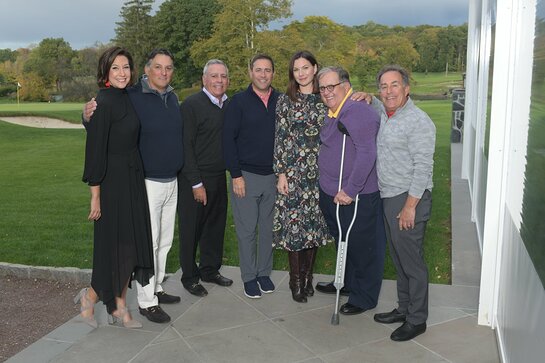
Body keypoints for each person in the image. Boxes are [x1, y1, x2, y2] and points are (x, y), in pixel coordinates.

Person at [83, 48, 184, 324]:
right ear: (147, 70)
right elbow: (98, 133)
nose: (163, 72)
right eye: (115, 68)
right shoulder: (125, 96)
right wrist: (86, 115)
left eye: (169, 67)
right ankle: (144, 301)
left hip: (152, 180)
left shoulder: (166, 98)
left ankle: (153, 289)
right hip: (137, 180)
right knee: (141, 244)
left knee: (159, 242)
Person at [77, 46, 154, 329]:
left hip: (132, 179)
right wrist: (95, 196)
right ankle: (104, 302)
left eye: (126, 67)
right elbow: (95, 150)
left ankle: (109, 303)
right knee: (115, 248)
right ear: (106, 72)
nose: (122, 73)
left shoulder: (127, 96)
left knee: (129, 248)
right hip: (111, 183)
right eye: (116, 68)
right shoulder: (104, 101)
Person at [372, 65, 436, 341]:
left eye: (394, 85)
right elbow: (374, 102)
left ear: (407, 88)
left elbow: (423, 167)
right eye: (384, 86)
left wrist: (410, 206)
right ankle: (404, 308)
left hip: (409, 197)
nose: (389, 91)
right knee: (399, 260)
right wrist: (366, 96)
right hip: (388, 195)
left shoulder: (419, 121)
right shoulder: (386, 113)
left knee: (412, 263)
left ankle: (417, 319)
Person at [316, 66, 386, 315]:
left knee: (362, 246)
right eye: (322, 88)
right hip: (331, 193)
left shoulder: (357, 111)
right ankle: (345, 282)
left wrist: (350, 190)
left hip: (355, 196)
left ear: (345, 85)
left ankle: (364, 296)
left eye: (331, 86)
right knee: (344, 241)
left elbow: (367, 153)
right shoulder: (334, 110)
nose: (326, 92)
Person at [273, 51, 333, 303]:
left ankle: (308, 278)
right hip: (295, 174)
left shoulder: (326, 99)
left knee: (313, 228)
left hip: (320, 173)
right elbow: (281, 137)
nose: (301, 73)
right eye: (296, 69)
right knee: (295, 230)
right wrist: (282, 173)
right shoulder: (286, 100)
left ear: (315, 68)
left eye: (305, 68)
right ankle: (295, 281)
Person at [223, 54, 279, 299]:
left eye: (267, 70)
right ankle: (248, 277)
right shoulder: (239, 102)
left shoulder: (281, 100)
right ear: (250, 72)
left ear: (273, 74)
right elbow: (227, 141)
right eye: (258, 70)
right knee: (247, 230)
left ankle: (263, 273)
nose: (263, 74)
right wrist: (236, 175)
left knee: (267, 229)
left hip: (273, 177)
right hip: (245, 176)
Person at [178, 59, 233, 297]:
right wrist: (195, 182)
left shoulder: (229, 105)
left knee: (215, 227)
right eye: (214, 76)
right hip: (195, 178)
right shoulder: (191, 105)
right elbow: (185, 146)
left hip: (219, 176)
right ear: (204, 79)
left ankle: (210, 270)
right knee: (192, 229)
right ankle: (189, 276)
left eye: (223, 76)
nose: (219, 80)